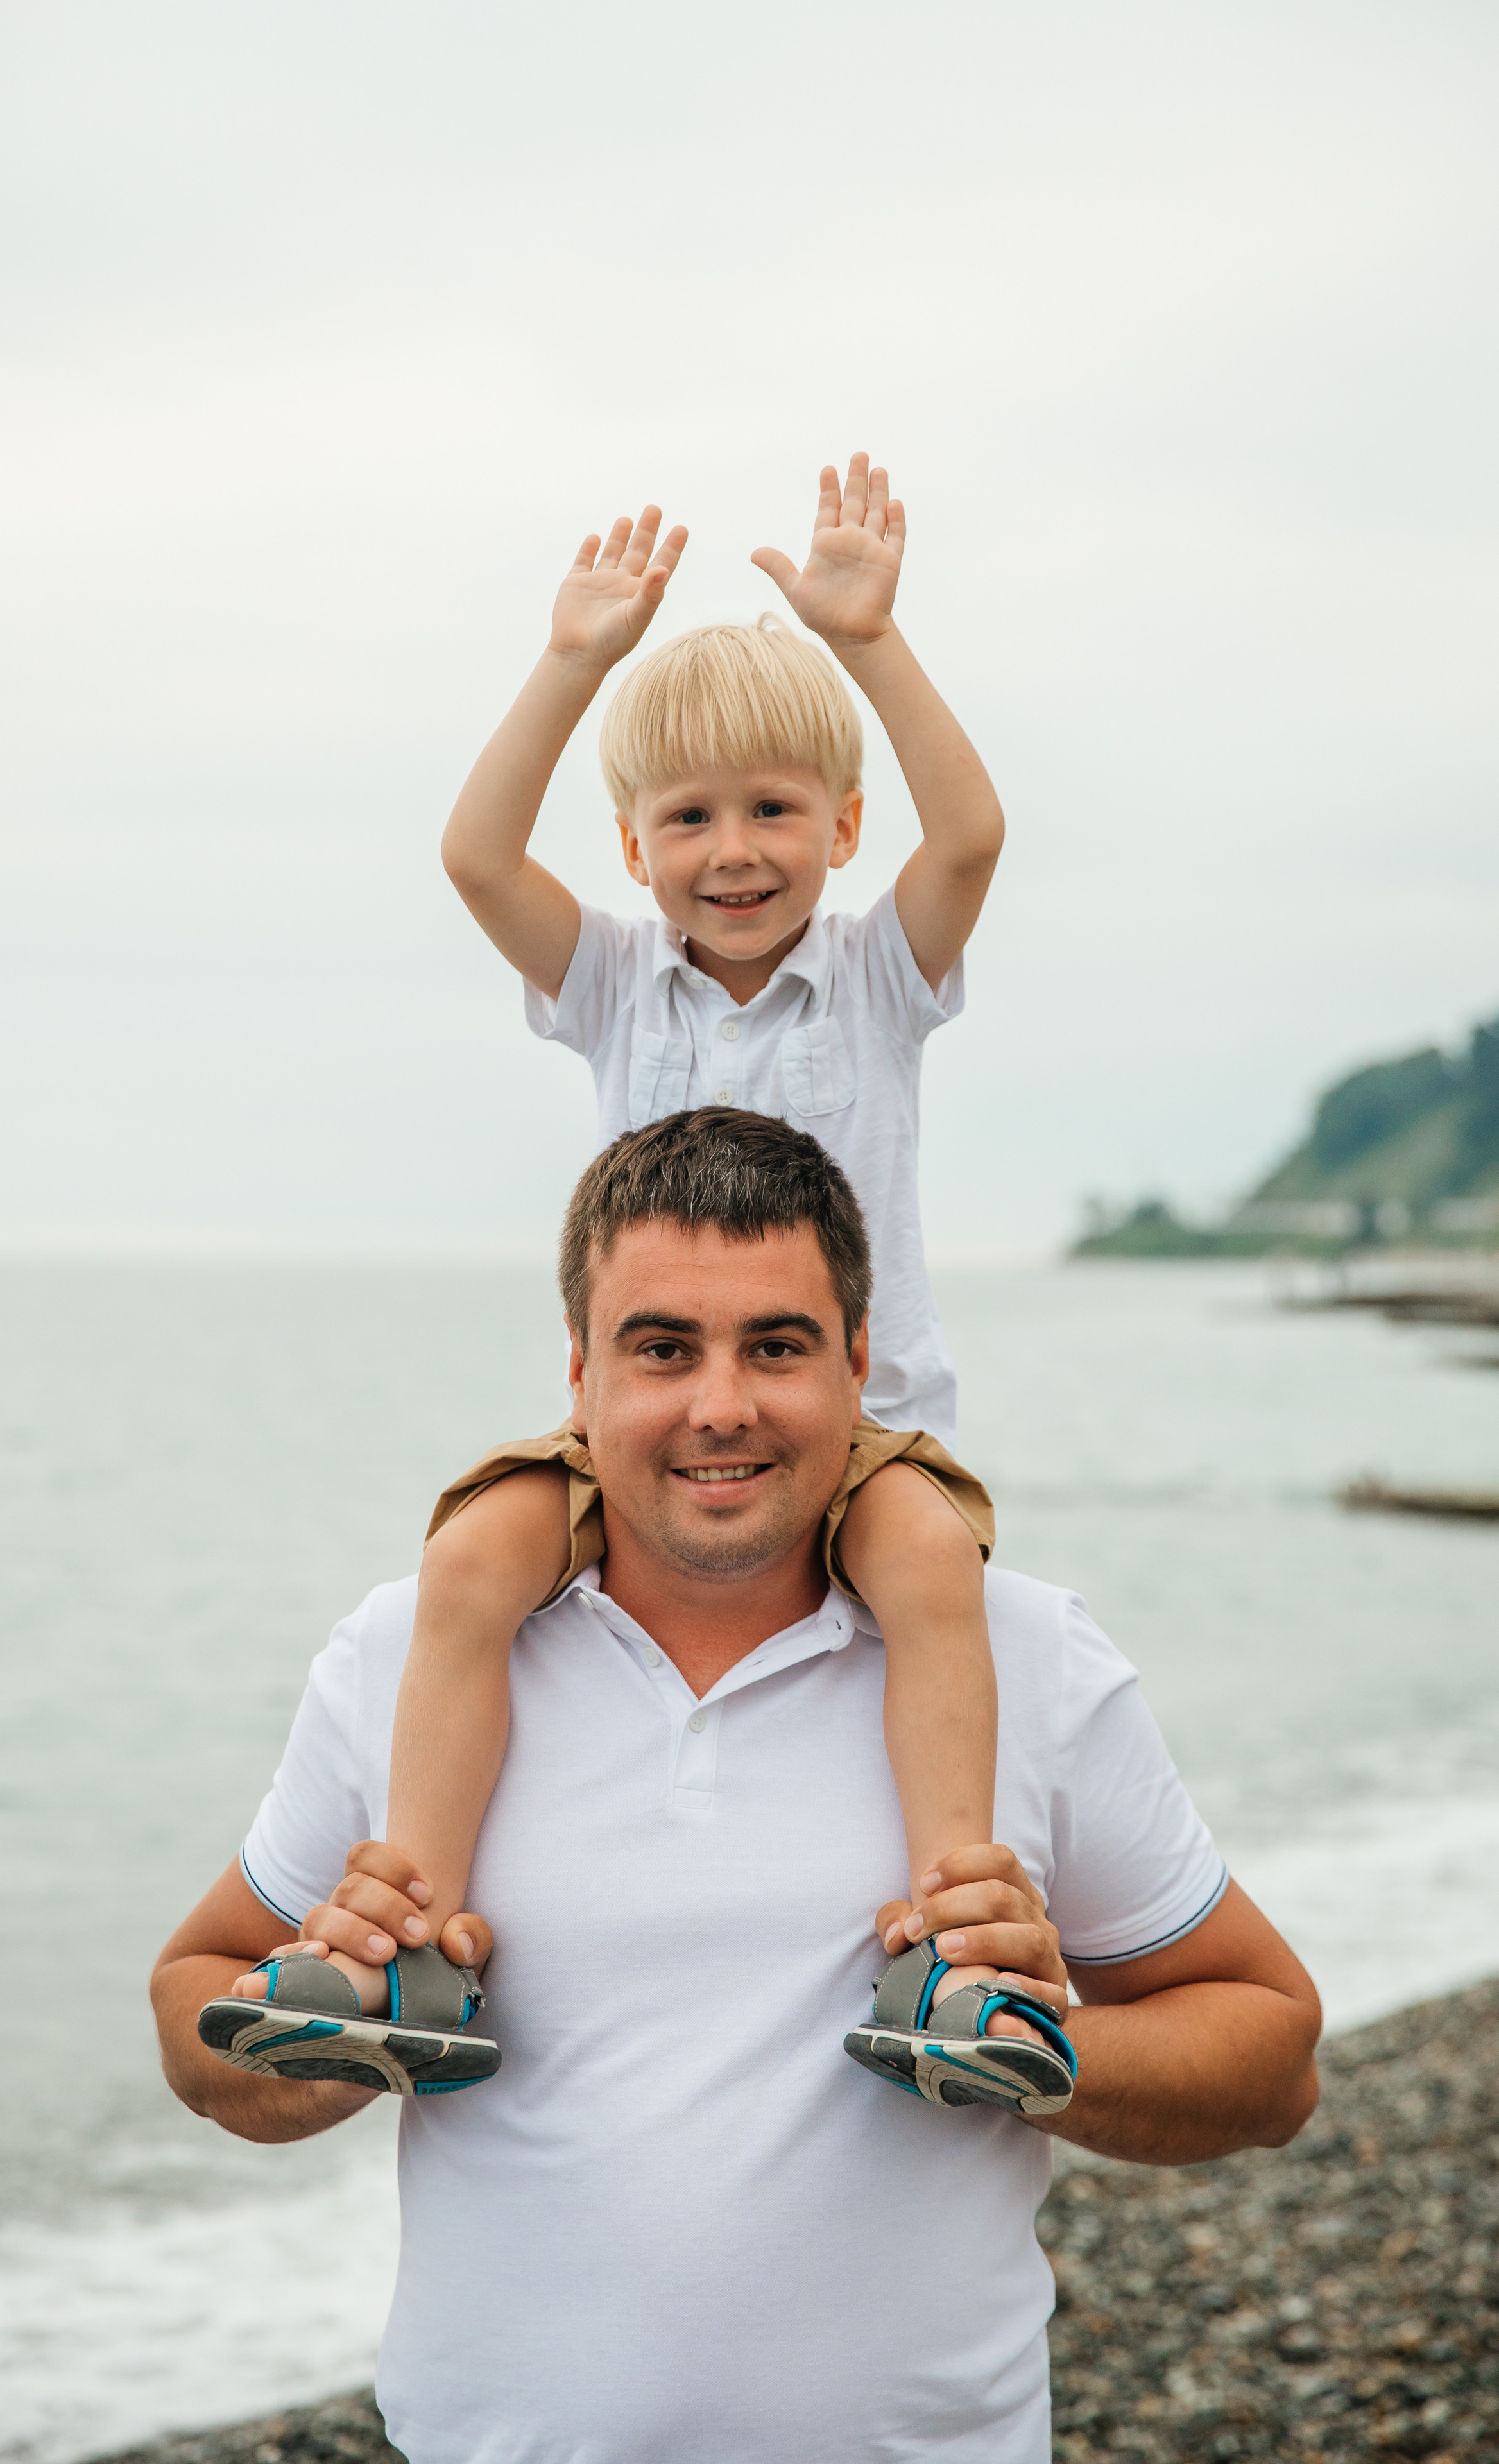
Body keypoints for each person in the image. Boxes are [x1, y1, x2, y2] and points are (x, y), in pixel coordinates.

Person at [153, 1111, 1322, 2464]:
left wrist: (1044, 2049)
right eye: (663, 1349)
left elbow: (1275, 2061)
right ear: (579, 1379)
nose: (722, 1405)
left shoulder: (1030, 1657)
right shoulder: (401, 1652)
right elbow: (194, 2006)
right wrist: (315, 2045)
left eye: (775, 1344)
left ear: (858, 1365)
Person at [218, 453, 1050, 2100]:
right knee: (469, 1561)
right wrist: (573, 659)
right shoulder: (611, 983)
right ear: (631, 842)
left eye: (772, 812)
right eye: (686, 819)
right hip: (638, 1432)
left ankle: (949, 1958)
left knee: (930, 1580)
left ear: (839, 826)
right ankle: (411, 1944)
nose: (732, 853)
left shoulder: (878, 976)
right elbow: (471, 857)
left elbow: (977, 830)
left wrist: (871, 643)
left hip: (860, 1424)